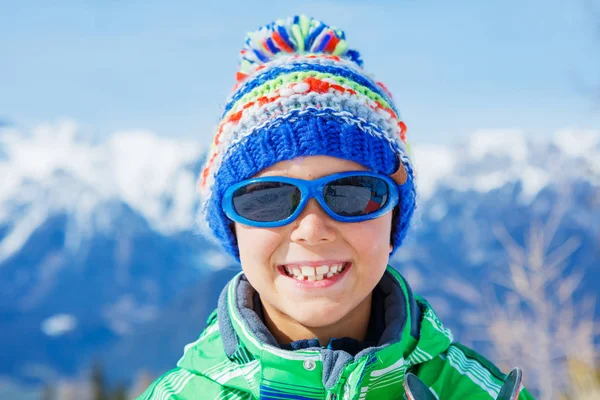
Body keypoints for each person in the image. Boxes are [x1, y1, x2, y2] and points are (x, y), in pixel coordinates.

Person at [138, 15, 534, 400]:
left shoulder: (473, 391)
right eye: (267, 199)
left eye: (352, 193)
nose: (312, 228)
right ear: (232, 226)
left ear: (394, 215)